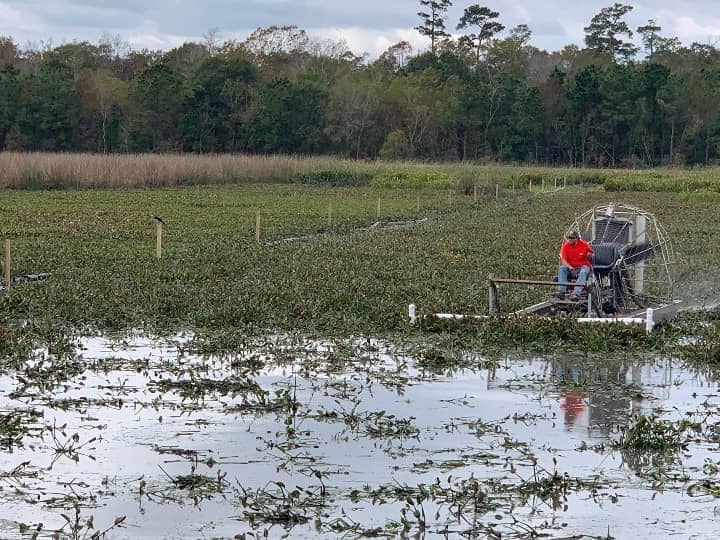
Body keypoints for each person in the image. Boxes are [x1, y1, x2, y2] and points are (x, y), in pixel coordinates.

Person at [557, 230, 594, 300]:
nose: (570, 239)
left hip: (583, 266)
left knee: (583, 271)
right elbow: (563, 260)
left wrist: (590, 255)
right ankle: (561, 291)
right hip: (571, 267)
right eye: (569, 237)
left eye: (572, 238)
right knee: (562, 268)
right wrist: (570, 267)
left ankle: (575, 293)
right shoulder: (565, 246)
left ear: (577, 238)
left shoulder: (584, 244)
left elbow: (592, 254)